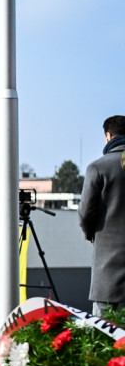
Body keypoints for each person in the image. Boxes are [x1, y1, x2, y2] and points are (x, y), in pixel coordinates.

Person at [79, 115, 125, 317]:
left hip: (108, 280)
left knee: (105, 341)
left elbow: (85, 213)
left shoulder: (98, 167)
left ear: (108, 136)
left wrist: (91, 234)